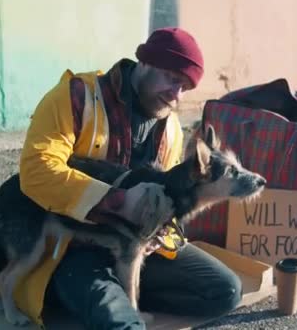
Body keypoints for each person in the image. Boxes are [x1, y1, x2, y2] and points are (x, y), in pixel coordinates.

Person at [14, 27, 242, 329]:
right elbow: (36, 170)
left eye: (185, 88)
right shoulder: (76, 96)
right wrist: (118, 202)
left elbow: (170, 199)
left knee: (225, 290)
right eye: (173, 79)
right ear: (145, 61)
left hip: (135, 250)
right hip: (73, 245)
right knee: (119, 322)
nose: (176, 95)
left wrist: (160, 233)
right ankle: (89, 298)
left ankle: (109, 303)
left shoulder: (171, 128)